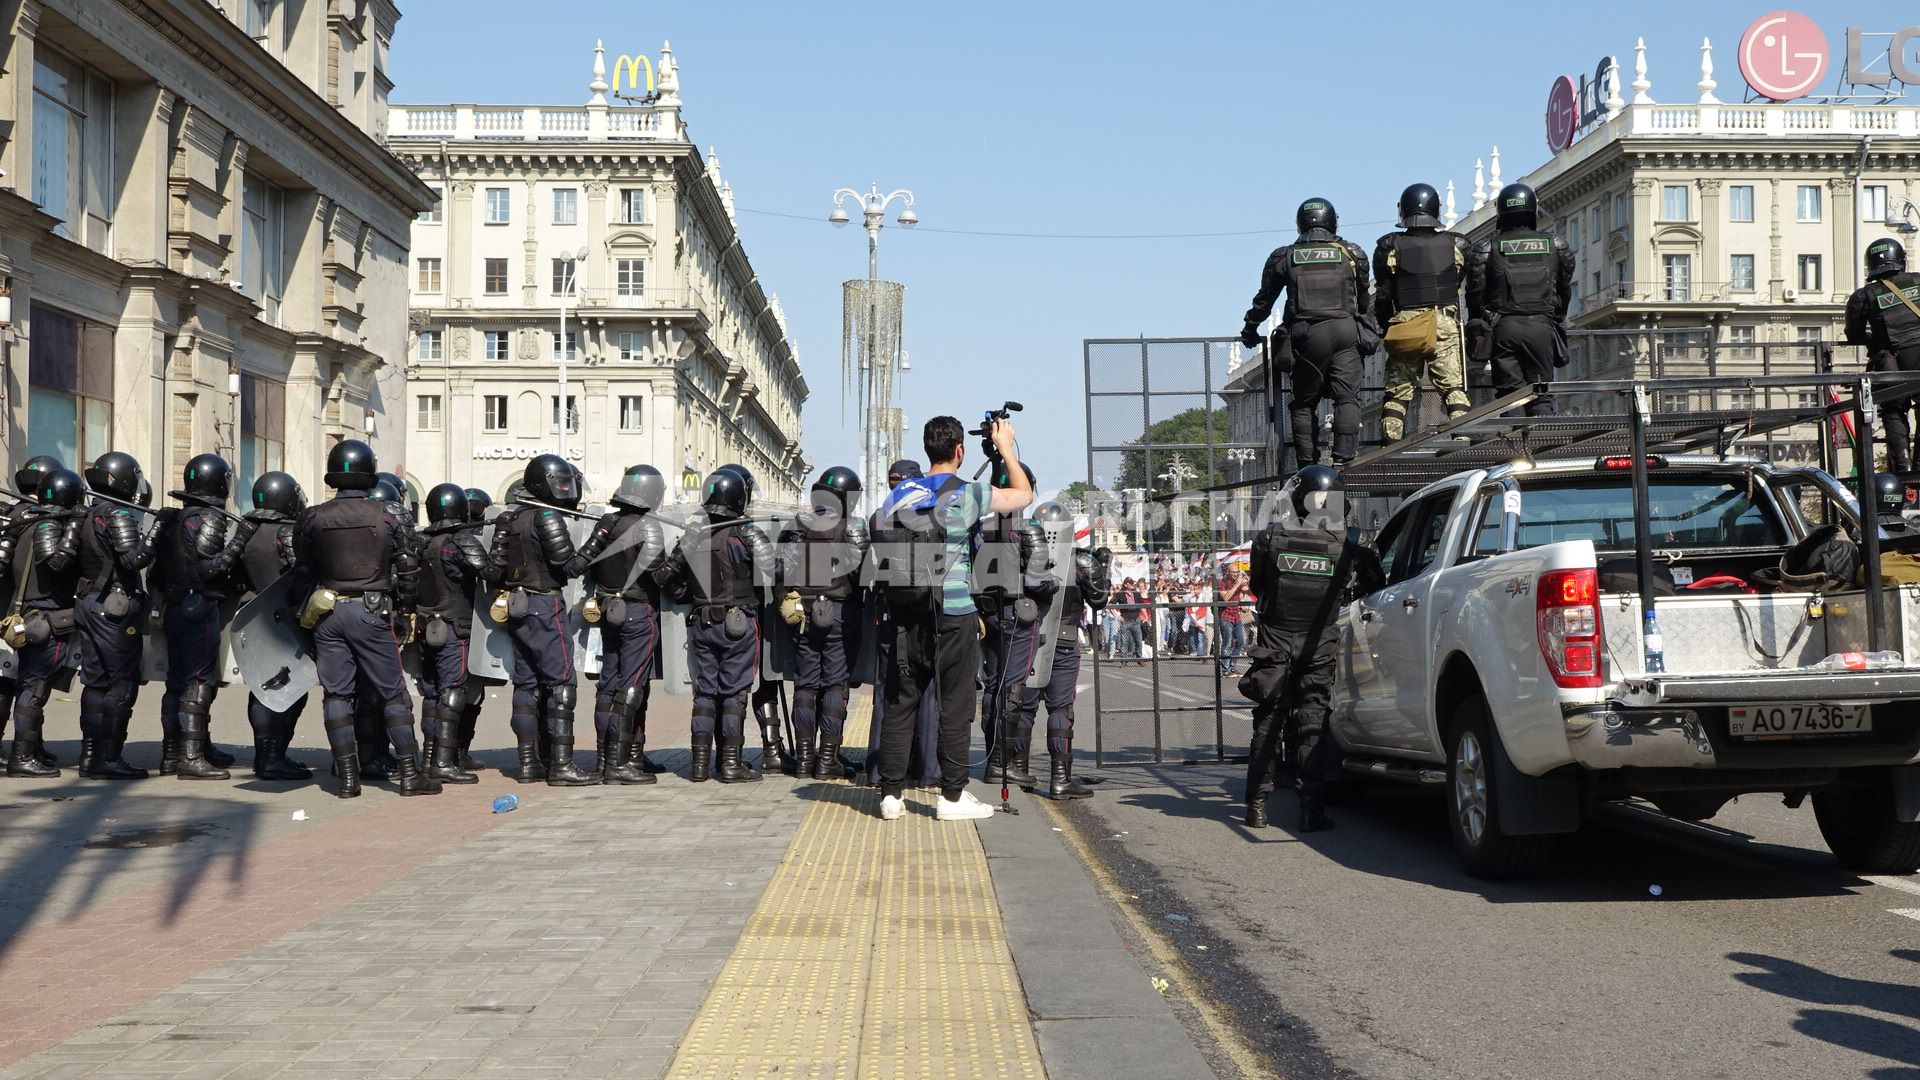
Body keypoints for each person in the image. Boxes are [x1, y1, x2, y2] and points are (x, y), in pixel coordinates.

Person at [870, 415, 1033, 821]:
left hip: (905, 615)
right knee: (956, 707)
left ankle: (891, 796)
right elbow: (1023, 494)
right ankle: (952, 798)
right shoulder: (968, 492)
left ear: (927, 450)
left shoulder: (899, 494)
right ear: (959, 450)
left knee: (900, 702)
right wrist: (1006, 448)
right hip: (954, 612)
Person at [1239, 466, 1380, 832]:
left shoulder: (1270, 537)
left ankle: (1256, 807)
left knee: (1267, 721)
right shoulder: (1350, 539)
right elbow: (1374, 582)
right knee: (1312, 723)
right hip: (1319, 641)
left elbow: (1258, 587)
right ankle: (1310, 810)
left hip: (1275, 639)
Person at [294, 439, 434, 798]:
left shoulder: (313, 516)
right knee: (393, 694)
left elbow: (302, 570)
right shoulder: (389, 514)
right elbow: (408, 569)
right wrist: (405, 611)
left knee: (337, 695)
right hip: (372, 610)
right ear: (369, 471)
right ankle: (409, 774)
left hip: (327, 611)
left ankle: (347, 778)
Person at [653, 469, 775, 783]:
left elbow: (664, 577)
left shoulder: (693, 533)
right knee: (734, 692)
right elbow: (777, 570)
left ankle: (698, 765)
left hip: (701, 623)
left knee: (705, 694)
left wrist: (689, 596)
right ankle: (731, 764)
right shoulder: (746, 532)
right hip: (738, 623)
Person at [1240, 198, 1376, 465]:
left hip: (1306, 335)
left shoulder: (1285, 256)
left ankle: (1307, 464)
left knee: (1303, 403)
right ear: (1333, 221)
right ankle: (1344, 459)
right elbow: (1362, 302)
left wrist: (1249, 328)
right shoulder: (1352, 253)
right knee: (1346, 398)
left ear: (1300, 223)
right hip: (1346, 332)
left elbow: (1264, 301)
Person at [488, 455, 594, 786]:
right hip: (544, 604)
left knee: (527, 685)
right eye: (560, 483)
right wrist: (597, 542)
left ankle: (528, 763)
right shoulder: (547, 517)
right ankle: (561, 765)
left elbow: (495, 569)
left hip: (517, 605)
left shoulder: (509, 517)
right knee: (562, 683)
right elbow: (568, 567)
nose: (565, 489)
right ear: (541, 484)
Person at [152, 453, 257, 780]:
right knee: (198, 682)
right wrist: (240, 540)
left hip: (175, 605)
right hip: (198, 608)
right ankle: (191, 756)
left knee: (176, 683)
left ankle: (173, 753)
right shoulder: (209, 519)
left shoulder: (173, 520)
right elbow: (210, 569)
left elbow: (156, 573)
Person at [576, 463, 670, 784]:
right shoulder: (649, 527)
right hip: (637, 610)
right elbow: (659, 575)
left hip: (607, 609)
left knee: (609, 683)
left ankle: (607, 758)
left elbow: (583, 563)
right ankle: (619, 763)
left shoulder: (607, 522)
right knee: (631, 686)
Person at [776, 466, 869, 780]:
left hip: (802, 614)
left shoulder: (797, 525)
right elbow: (865, 575)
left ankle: (804, 760)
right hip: (841, 616)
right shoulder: (852, 527)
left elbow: (779, 570)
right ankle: (827, 760)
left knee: (804, 685)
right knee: (834, 685)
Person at [74, 452, 158, 779]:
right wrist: (156, 532)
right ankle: (108, 757)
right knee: (121, 682)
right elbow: (133, 560)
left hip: (88, 601)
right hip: (113, 607)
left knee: (94, 682)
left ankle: (90, 756)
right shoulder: (117, 513)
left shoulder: (87, 513)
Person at [860, 460, 943, 789]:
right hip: (928, 612)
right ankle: (927, 771)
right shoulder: (932, 517)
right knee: (926, 691)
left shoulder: (878, 518)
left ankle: (879, 769)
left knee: (887, 691)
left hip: (889, 609)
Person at [1012, 529, 1111, 800]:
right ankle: (1060, 779)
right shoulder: (1081, 562)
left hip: (1028, 640)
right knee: (1060, 710)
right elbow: (1099, 600)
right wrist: (1104, 567)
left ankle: (1019, 771)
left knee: (1023, 709)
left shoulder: (1021, 558)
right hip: (1064, 644)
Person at [1373, 183, 1473, 442]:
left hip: (1406, 322)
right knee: (1453, 388)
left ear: (1403, 210)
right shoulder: (1458, 245)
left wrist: (1387, 328)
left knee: (1397, 392)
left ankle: (1390, 445)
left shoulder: (1388, 246)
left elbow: (1383, 295)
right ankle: (1462, 438)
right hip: (1443, 323)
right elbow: (1458, 281)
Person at [975, 464, 1054, 788]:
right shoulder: (1028, 527)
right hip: (1017, 615)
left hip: (987, 614)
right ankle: (1000, 764)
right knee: (1012, 689)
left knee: (993, 687)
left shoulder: (979, 527)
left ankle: (994, 757)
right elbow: (1038, 582)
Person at [1467, 183, 1576, 416]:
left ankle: (1515, 447)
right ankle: (1544, 445)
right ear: (1533, 210)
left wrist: (1480, 323)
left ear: (1501, 213)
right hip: (1542, 326)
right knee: (1541, 393)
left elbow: (1475, 294)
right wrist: (1556, 317)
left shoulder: (1487, 248)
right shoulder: (1556, 245)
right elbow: (1564, 289)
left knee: (1510, 396)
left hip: (1504, 328)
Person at [4, 468, 84, 777]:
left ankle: (31, 749)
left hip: (35, 615)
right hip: (44, 617)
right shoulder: (48, 525)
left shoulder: (27, 523)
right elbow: (56, 561)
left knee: (32, 686)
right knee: (34, 688)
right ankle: (22, 756)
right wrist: (75, 528)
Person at [413, 483, 493, 786]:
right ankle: (444, 761)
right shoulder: (459, 541)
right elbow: (490, 572)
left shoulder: (420, 541)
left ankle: (431, 758)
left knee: (433, 693)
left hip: (427, 624)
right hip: (455, 627)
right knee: (452, 691)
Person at [234, 471, 312, 780]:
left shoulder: (247, 530)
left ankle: (266, 754)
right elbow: (300, 573)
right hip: (283, 617)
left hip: (253, 614)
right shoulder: (286, 532)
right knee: (288, 687)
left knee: (262, 686)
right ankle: (272, 757)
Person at [0, 454, 65, 769]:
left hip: (9, 611)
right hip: (28, 612)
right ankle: (23, 753)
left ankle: (30, 746)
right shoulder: (44, 520)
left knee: (10, 681)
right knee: (28, 683)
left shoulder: (11, 514)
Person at [1847, 238, 1920, 472]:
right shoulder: (1919, 282)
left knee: (1893, 411)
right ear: (1900, 259)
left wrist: (1875, 339)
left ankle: (1903, 465)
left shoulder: (1863, 295)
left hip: (1889, 361)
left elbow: (1854, 334)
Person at [455, 487, 495, 770]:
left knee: (454, 693)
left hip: (460, 624)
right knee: (465, 694)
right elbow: (492, 574)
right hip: (468, 626)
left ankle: (448, 754)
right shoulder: (472, 545)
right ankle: (453, 754)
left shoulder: (435, 540)